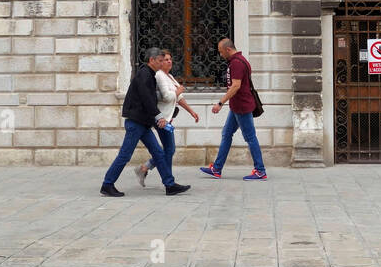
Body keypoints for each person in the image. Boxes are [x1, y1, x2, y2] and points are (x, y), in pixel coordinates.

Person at [101, 47, 190, 197]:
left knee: (159, 153)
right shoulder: (144, 75)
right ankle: (107, 184)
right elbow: (147, 100)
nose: (162, 64)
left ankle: (170, 185)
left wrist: (159, 116)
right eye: (160, 61)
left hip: (143, 123)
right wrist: (159, 117)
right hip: (136, 124)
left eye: (164, 61)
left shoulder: (150, 75)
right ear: (152, 60)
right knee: (125, 155)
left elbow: (152, 99)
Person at [199, 37, 267, 181]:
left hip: (241, 106)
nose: (220, 54)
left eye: (221, 51)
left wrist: (220, 103)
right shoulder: (241, 60)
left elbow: (236, 86)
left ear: (228, 49)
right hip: (237, 106)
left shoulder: (237, 63)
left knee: (250, 137)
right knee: (227, 134)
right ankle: (216, 169)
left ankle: (260, 170)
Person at [138, 49, 199, 187]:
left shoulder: (169, 76)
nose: (169, 61)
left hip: (168, 119)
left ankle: (146, 169)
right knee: (169, 149)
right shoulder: (159, 75)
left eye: (170, 59)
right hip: (161, 119)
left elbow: (179, 98)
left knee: (168, 149)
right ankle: (168, 182)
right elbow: (167, 96)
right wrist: (178, 91)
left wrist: (191, 111)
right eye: (165, 59)